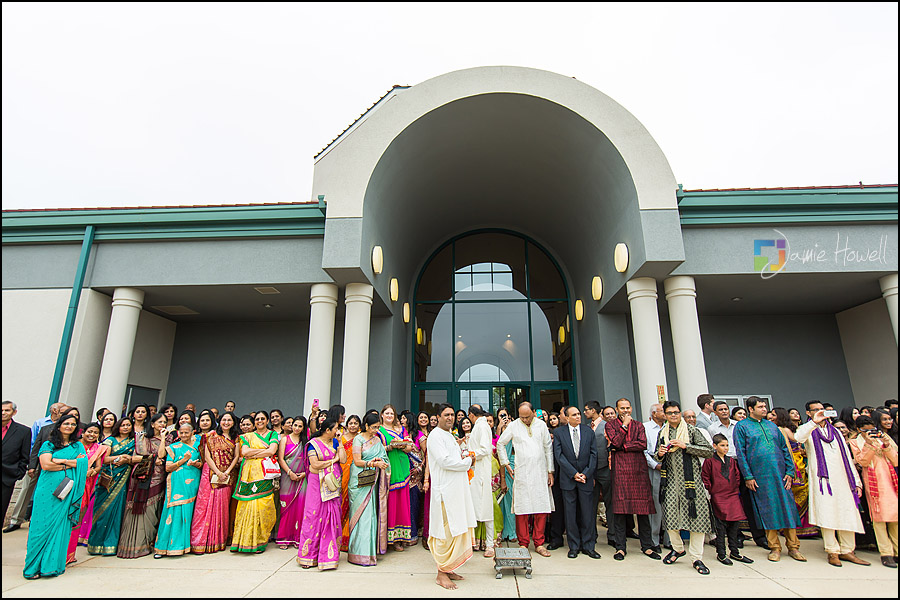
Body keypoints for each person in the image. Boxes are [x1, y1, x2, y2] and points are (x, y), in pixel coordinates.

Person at [733, 396, 805, 562]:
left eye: (765, 406)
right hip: (760, 476)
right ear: (751, 409)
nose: (764, 409)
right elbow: (741, 453)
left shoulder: (772, 426)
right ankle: (775, 547)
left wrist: (790, 471)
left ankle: (793, 547)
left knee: (788, 509)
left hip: (781, 475)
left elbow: (785, 449)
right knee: (768, 510)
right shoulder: (742, 427)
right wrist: (748, 476)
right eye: (760, 407)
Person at [796, 401, 868, 567]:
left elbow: (847, 458)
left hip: (843, 479)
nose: (820, 412)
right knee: (827, 514)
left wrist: (856, 482)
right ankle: (832, 551)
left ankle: (848, 550)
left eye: (822, 409)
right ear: (808, 413)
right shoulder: (808, 429)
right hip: (823, 481)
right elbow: (799, 438)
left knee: (847, 513)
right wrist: (814, 422)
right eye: (816, 410)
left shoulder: (836, 432)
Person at [22, 412, 88, 579]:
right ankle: (31, 568)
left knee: (60, 526)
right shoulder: (48, 444)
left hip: (66, 492)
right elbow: (46, 465)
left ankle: (50, 567)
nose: (69, 426)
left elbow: (83, 464)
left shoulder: (77, 446)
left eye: (73, 424)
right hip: (47, 490)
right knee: (40, 527)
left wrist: (61, 461)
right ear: (59, 426)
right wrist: (71, 464)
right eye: (66, 423)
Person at [654, 401, 715, 575]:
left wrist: (686, 446)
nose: (673, 415)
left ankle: (696, 557)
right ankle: (678, 548)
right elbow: (657, 455)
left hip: (691, 483)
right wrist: (660, 454)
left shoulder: (691, 431)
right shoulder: (663, 433)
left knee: (697, 520)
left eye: (676, 412)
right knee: (670, 518)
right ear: (665, 415)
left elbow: (709, 451)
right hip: (670, 482)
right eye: (670, 413)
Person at [427, 403, 477, 590]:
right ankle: (441, 573)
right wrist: (467, 461)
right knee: (445, 532)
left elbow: (454, 458)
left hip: (456, 491)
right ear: (438, 417)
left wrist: (465, 457)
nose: (450, 418)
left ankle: (449, 568)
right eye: (446, 415)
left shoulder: (449, 435)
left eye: (452, 415)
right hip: (445, 492)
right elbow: (444, 461)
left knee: (456, 528)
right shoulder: (435, 436)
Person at [496, 401, 554, 557]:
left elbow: (548, 448)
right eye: (522, 417)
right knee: (522, 509)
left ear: (533, 413)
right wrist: (506, 463)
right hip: (521, 472)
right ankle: (523, 543)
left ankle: (539, 543)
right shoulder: (514, 425)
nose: (525, 420)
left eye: (527, 417)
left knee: (541, 508)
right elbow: (500, 444)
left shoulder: (541, 426)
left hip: (540, 472)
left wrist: (550, 471)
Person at [606, 398, 657, 561]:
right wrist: (624, 426)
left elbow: (642, 444)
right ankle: (620, 547)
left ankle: (647, 546)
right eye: (622, 408)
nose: (625, 411)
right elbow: (615, 442)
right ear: (617, 409)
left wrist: (623, 447)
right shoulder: (611, 425)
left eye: (627, 408)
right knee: (620, 511)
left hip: (638, 471)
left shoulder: (639, 425)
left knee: (643, 510)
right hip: (621, 471)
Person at [4, 402, 67, 534]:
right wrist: (30, 466)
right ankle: (16, 520)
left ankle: (39, 520)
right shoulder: (42, 425)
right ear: (54, 411)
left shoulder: (70, 428)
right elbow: (34, 444)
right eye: (61, 411)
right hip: (37, 462)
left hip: (55, 466)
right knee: (26, 490)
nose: (64, 414)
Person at [297, 416, 346, 570]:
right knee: (314, 515)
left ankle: (327, 557)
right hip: (316, 484)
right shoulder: (313, 444)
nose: (337, 431)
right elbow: (315, 464)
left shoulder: (335, 442)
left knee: (331, 517)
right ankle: (309, 556)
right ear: (327, 430)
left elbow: (343, 460)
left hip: (332, 484)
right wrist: (333, 461)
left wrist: (340, 444)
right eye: (335, 428)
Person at [117, 412, 168, 558]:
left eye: (164, 422)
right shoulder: (142, 438)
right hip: (142, 477)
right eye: (160, 422)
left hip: (158, 478)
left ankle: (146, 543)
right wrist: (153, 458)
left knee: (152, 511)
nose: (162, 425)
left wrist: (163, 439)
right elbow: (135, 458)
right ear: (152, 424)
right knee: (137, 509)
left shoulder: (168, 439)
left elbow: (162, 455)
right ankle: (132, 546)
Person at [850, 415, 898, 567]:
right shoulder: (855, 442)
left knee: (895, 517)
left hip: (890, 481)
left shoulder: (884, 438)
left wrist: (885, 444)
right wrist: (869, 444)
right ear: (859, 430)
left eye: (872, 429)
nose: (870, 433)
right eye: (866, 431)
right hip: (873, 483)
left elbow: (895, 460)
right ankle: (886, 553)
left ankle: (897, 551)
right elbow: (863, 461)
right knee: (879, 519)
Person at [553, 405, 599, 559]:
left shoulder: (588, 431)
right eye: (574, 415)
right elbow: (559, 456)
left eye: (579, 414)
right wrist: (573, 473)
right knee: (570, 514)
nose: (578, 417)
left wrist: (586, 473)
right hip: (568, 478)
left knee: (587, 513)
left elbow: (594, 454)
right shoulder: (559, 433)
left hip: (586, 478)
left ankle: (588, 546)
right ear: (566, 417)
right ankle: (573, 546)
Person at [701, 433, 754, 566]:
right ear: (715, 446)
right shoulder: (709, 460)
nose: (725, 448)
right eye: (722, 445)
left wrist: (735, 489)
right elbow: (705, 477)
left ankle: (734, 552)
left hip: (732, 495)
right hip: (718, 496)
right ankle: (721, 553)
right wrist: (712, 490)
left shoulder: (731, 461)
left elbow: (737, 476)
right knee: (720, 526)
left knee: (735, 524)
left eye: (727, 445)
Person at [191, 411, 240, 554]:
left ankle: (217, 541)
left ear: (233, 422)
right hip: (210, 473)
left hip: (227, 476)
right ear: (220, 421)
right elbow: (207, 456)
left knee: (222, 506)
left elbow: (236, 457)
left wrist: (226, 472)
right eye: (224, 420)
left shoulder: (236, 438)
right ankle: (201, 541)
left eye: (229, 420)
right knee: (205, 505)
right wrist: (218, 472)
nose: (226, 422)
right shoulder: (210, 436)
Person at [231, 411, 279, 553]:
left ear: (267, 421)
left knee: (264, 506)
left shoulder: (272, 434)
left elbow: (272, 451)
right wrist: (264, 451)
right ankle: (243, 542)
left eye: (262, 419)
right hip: (249, 475)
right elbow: (245, 452)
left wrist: (255, 453)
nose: (260, 421)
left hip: (265, 474)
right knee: (246, 506)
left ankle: (259, 541)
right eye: (257, 419)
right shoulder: (247, 436)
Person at [86, 417, 135, 555]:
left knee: (117, 510)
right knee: (102, 511)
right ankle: (96, 544)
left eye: (128, 425)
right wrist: (120, 457)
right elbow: (104, 459)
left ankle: (110, 545)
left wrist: (128, 460)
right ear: (118, 427)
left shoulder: (134, 442)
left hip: (123, 479)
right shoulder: (110, 440)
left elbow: (137, 458)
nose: (125, 427)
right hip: (108, 478)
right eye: (123, 425)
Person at [153, 422, 203, 557]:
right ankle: (164, 547)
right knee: (173, 512)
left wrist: (195, 463)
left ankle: (184, 546)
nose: (184, 435)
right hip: (177, 483)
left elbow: (201, 464)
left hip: (192, 483)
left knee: (188, 513)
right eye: (181, 432)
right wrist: (183, 460)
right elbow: (168, 467)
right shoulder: (174, 447)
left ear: (192, 433)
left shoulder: (198, 446)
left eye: (187, 432)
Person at [348, 412, 391, 565]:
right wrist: (373, 463)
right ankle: (357, 553)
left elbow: (384, 458)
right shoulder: (358, 439)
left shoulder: (377, 440)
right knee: (360, 516)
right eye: (373, 427)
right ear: (366, 426)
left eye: (378, 427)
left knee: (370, 516)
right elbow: (357, 461)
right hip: (359, 481)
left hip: (372, 481)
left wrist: (380, 461)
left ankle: (369, 554)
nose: (376, 430)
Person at [773, 407, 818, 538]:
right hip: (794, 461)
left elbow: (794, 443)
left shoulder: (783, 430)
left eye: (774, 415)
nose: (771, 417)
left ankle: (797, 526)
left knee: (798, 492)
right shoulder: (782, 429)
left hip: (794, 462)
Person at [66, 422, 106, 563]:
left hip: (86, 484)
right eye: (90, 431)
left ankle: (70, 554)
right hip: (70, 481)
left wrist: (92, 471)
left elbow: (99, 466)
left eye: (95, 433)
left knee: (78, 516)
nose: (92, 435)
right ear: (83, 432)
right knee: (65, 516)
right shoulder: (74, 445)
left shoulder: (98, 449)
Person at [378, 404, 414, 550]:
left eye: (391, 414)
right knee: (390, 503)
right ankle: (388, 539)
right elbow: (375, 449)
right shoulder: (378, 431)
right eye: (387, 413)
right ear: (382, 415)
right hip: (388, 469)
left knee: (402, 502)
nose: (389, 416)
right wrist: (390, 447)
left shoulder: (401, 429)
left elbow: (410, 447)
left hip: (403, 467)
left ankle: (402, 537)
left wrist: (402, 446)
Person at [276, 416, 309, 549]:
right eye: (295, 425)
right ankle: (284, 538)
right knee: (286, 506)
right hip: (287, 477)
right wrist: (290, 472)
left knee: (300, 507)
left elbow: (309, 460)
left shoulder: (306, 441)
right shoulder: (285, 439)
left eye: (300, 426)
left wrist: (304, 474)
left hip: (302, 478)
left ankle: (297, 538)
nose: (297, 428)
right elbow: (281, 459)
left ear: (303, 428)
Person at [467, 404, 496, 557]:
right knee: (473, 507)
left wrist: (469, 454)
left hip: (482, 472)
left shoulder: (482, 426)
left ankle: (490, 544)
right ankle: (470, 542)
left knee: (486, 508)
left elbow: (485, 449)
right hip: (475, 472)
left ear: (472, 415)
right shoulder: (478, 426)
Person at [643, 402, 670, 553]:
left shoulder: (669, 427)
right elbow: (644, 451)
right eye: (662, 411)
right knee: (655, 505)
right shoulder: (646, 428)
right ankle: (653, 540)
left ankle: (669, 539)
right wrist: (655, 465)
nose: (665, 413)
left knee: (670, 504)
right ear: (653, 413)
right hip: (654, 469)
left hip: (670, 470)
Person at [2, 400, 31, 522]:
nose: (3, 413)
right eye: (1, 410)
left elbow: (24, 457)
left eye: (7, 410)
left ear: (14, 412)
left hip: (6, 477)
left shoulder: (23, 431)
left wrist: (17, 473)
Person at [591, 403, 613, 545]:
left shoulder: (606, 426)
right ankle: (591, 536)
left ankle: (613, 535)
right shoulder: (589, 427)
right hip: (592, 471)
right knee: (591, 505)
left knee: (610, 503)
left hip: (606, 469)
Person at [404, 411, 427, 547]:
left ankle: (413, 533)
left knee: (414, 503)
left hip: (416, 475)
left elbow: (426, 453)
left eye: (404, 418)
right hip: (403, 473)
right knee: (404, 504)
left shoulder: (419, 435)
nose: (401, 420)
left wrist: (419, 468)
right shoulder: (400, 434)